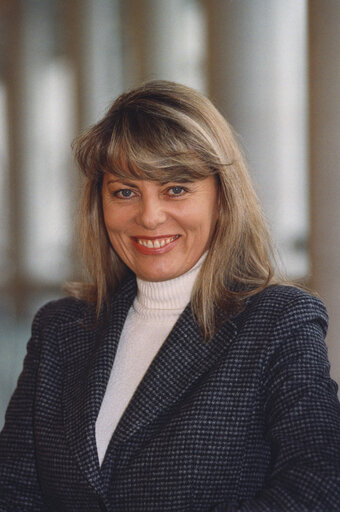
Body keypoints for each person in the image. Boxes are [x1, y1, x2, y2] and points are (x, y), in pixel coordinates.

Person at [0, 80, 339, 512]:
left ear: (222, 198)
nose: (149, 216)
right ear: (99, 204)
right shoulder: (60, 328)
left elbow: (318, 487)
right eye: (125, 192)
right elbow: (12, 490)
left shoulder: (278, 323)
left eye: (175, 188)